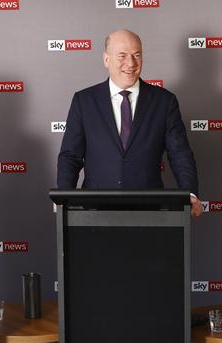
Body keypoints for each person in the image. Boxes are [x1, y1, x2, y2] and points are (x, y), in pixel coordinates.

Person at [57, 29, 202, 216]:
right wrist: (63, 197)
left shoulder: (164, 102)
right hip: (94, 212)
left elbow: (180, 154)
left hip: (149, 212)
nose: (131, 63)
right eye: (122, 56)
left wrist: (190, 193)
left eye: (136, 55)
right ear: (106, 59)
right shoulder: (84, 101)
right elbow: (70, 156)